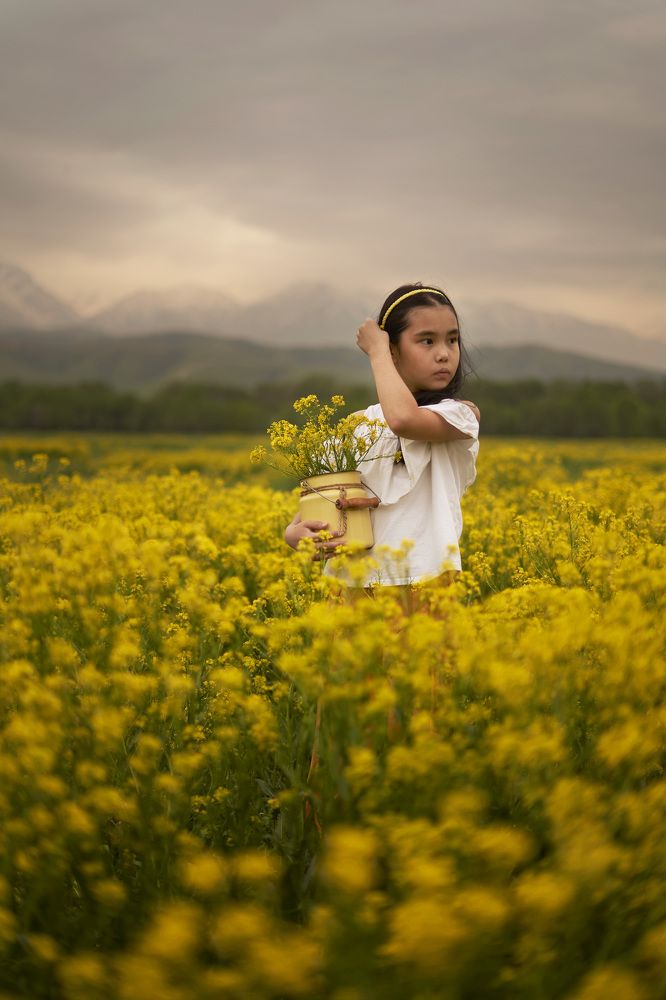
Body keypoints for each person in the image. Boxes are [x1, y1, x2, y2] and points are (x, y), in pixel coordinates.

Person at [283, 281, 480, 610]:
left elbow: (403, 420)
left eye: (453, 339)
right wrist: (295, 534)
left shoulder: (459, 415)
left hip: (424, 580)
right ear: (394, 350)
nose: (445, 353)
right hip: (353, 584)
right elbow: (317, 503)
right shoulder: (358, 425)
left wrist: (376, 351)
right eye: (427, 341)